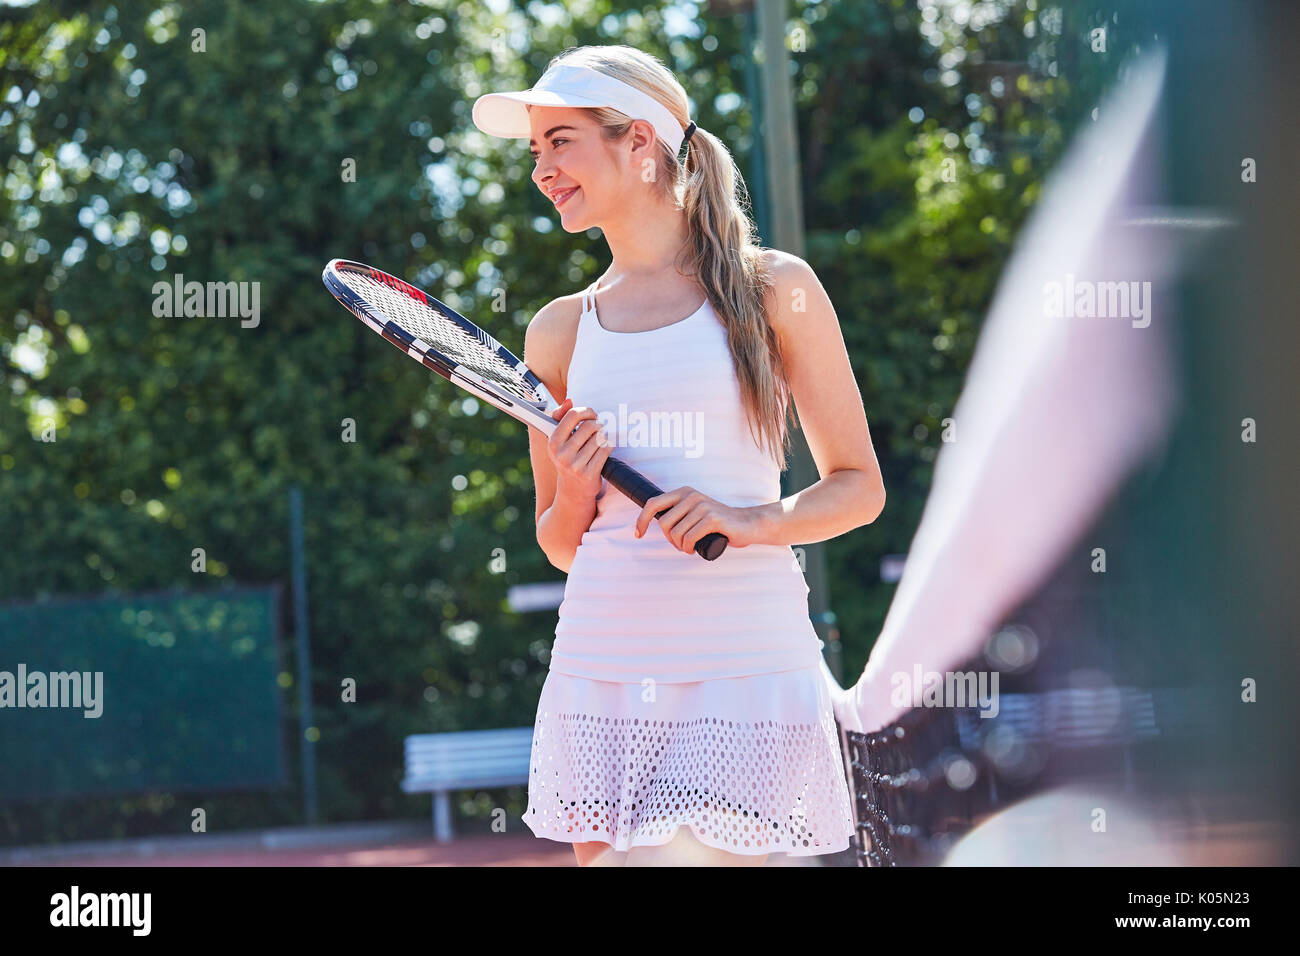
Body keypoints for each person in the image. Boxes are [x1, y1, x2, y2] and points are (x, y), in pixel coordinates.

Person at [473, 44, 885, 866]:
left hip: (745, 659)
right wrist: (581, 486)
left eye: (561, 141)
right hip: (603, 664)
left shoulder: (775, 289)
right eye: (534, 152)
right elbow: (560, 543)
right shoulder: (556, 331)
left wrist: (746, 519)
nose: (542, 170)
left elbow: (859, 487)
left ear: (641, 144)